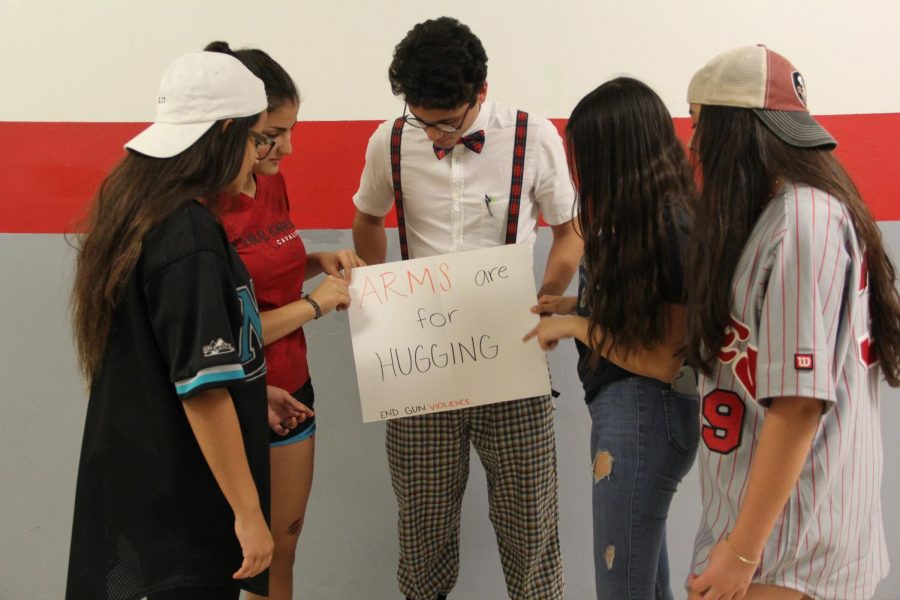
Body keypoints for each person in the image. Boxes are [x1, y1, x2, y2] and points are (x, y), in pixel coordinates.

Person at [351, 16, 582, 600]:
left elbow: (570, 231)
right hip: (419, 366)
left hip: (512, 358)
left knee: (531, 527)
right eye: (420, 119)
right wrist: (375, 295)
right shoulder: (390, 140)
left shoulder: (534, 136)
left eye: (447, 122)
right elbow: (367, 217)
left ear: (480, 93)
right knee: (422, 531)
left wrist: (547, 302)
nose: (433, 135)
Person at [66, 51, 306, 599]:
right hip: (177, 501)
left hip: (138, 485)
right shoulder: (188, 236)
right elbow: (201, 393)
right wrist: (249, 515)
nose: (260, 157)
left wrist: (250, 392)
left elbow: (166, 358)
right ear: (226, 131)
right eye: (255, 140)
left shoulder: (139, 205)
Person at [684, 45, 899, 599]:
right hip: (770, 535)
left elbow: (799, 406)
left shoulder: (804, 220)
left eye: (701, 124)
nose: (695, 143)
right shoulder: (780, 214)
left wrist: (740, 553)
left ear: (731, 131)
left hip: (791, 549)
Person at [522, 77, 699, 599]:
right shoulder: (643, 216)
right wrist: (577, 304)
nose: (582, 171)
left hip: (645, 414)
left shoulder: (673, 223)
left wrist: (578, 326)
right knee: (642, 581)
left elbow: (666, 359)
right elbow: (643, 311)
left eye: (588, 156)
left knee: (621, 585)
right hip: (629, 412)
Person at [204, 41, 360, 600]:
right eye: (271, 134)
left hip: (291, 387)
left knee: (280, 552)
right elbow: (222, 335)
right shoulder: (197, 211)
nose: (286, 148)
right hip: (226, 397)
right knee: (226, 554)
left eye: (293, 130)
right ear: (232, 127)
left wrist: (319, 259)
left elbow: (270, 262)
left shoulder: (269, 180)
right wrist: (315, 304)